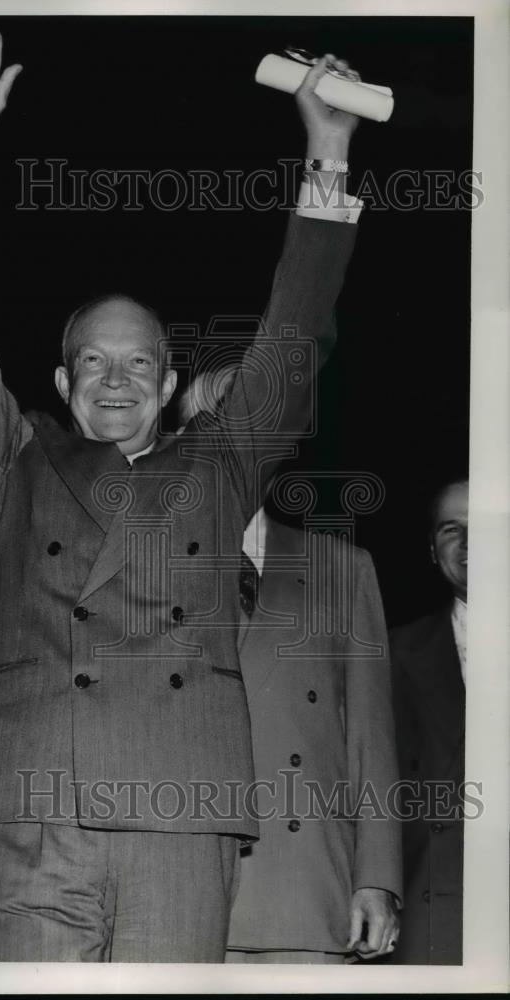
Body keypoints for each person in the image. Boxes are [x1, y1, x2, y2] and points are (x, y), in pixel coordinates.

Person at [0, 23, 365, 962]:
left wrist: (330, 145)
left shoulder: (221, 464)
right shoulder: (16, 462)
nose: (115, 381)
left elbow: (294, 335)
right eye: (92, 364)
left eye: (139, 364)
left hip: (179, 808)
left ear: (166, 387)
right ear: (64, 387)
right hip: (33, 811)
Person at [178, 372, 402, 963]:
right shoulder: (141, 569)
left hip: (305, 889)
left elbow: (370, 740)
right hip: (176, 887)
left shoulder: (342, 568)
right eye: (213, 433)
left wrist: (376, 877)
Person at [390, 475, 468, 964]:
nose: (469, 545)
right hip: (437, 917)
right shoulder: (391, 653)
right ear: (431, 549)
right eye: (450, 529)